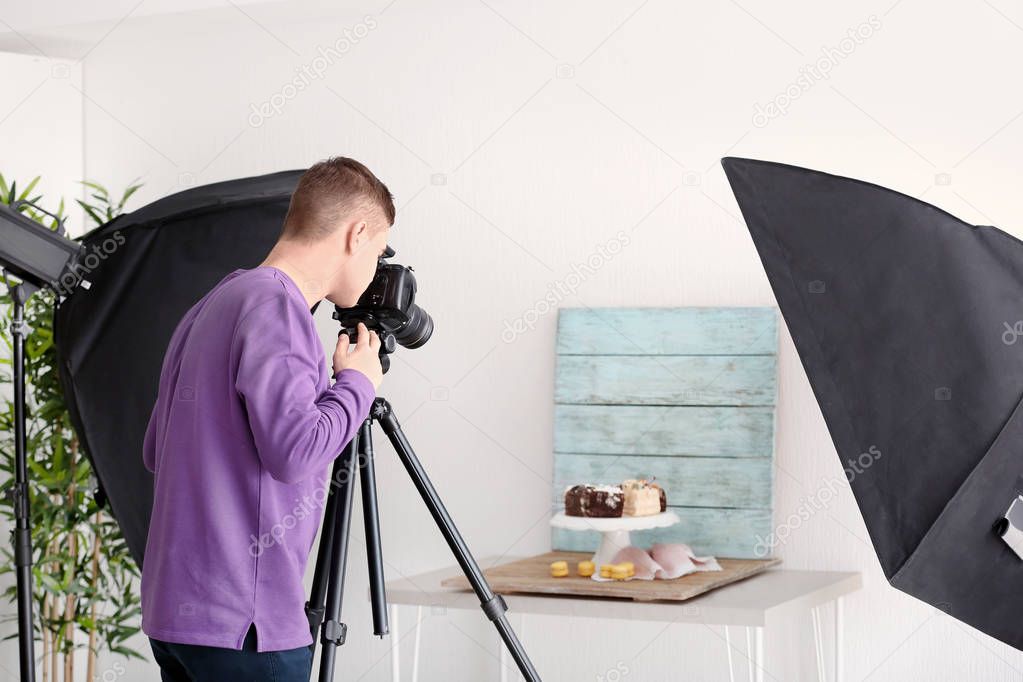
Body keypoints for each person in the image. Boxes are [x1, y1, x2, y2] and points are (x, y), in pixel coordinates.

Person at [140, 157, 393, 681]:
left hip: (176, 617)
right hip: (244, 625)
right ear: (358, 233)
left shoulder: (213, 302)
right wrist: (357, 384)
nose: (376, 270)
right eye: (379, 250)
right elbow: (295, 451)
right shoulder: (280, 308)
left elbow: (153, 450)